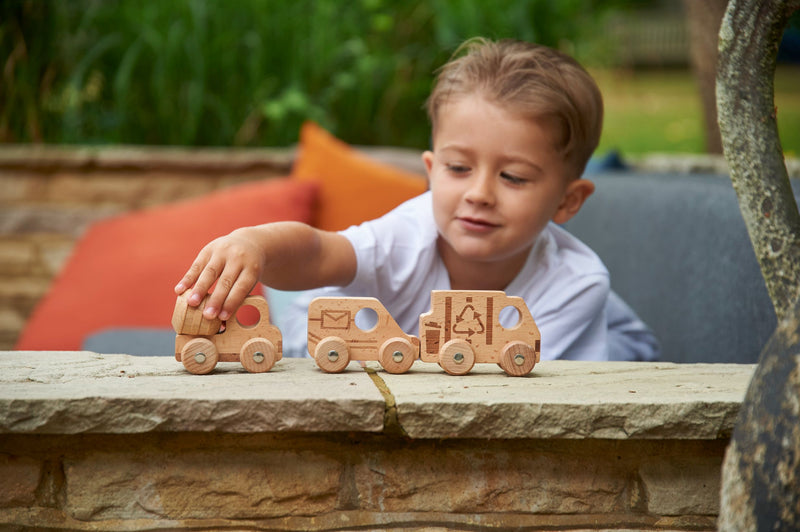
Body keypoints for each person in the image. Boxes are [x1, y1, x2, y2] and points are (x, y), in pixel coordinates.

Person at [175, 38, 659, 362]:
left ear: (568, 202)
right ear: (430, 173)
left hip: (576, 316)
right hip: (326, 305)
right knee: (299, 310)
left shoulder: (577, 284)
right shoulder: (407, 237)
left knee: (622, 342)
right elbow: (322, 252)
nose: (479, 194)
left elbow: (520, 395)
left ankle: (623, 331)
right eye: (458, 169)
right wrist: (255, 243)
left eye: (512, 176)